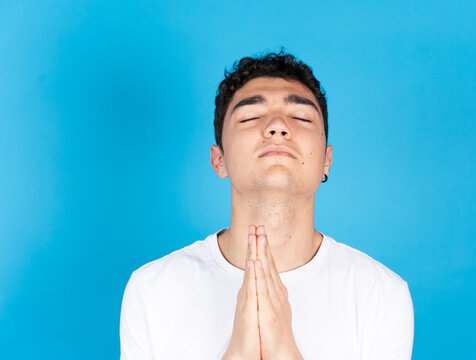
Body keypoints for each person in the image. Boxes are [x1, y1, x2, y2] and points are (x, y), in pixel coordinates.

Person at [120, 51, 414, 360]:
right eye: (250, 118)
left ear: (327, 161)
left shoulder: (380, 294)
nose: (276, 127)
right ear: (218, 160)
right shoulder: (153, 290)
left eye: (300, 117)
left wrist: (285, 351)